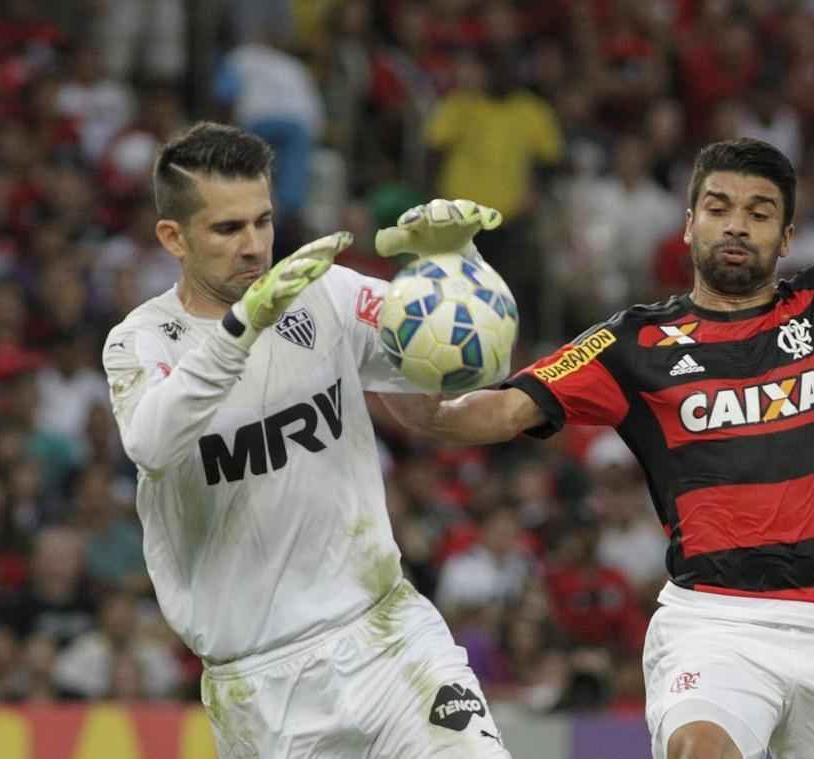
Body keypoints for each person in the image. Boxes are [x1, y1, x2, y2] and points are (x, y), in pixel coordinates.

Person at [381, 29, 814, 759]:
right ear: (690, 221)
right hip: (715, 621)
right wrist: (396, 364)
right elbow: (490, 413)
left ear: (787, 233)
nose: (737, 224)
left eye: (760, 212)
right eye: (720, 206)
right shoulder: (633, 344)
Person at [101, 122, 511, 758]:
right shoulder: (139, 341)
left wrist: (454, 270)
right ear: (172, 237)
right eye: (228, 229)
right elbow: (151, 444)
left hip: (386, 637)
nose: (254, 246)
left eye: (263, 221)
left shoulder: (325, 292)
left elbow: (462, 369)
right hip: (261, 686)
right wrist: (243, 327)